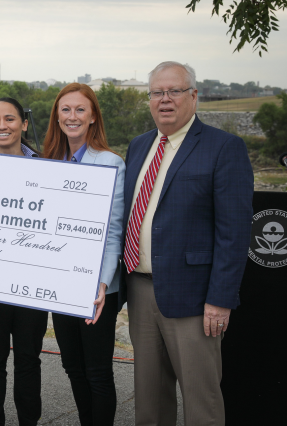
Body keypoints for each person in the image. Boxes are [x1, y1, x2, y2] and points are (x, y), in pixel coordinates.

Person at [122, 61, 253, 426]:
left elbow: (234, 232)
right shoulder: (138, 147)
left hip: (196, 299)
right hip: (141, 288)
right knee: (149, 401)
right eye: (157, 93)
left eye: (174, 91)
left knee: (201, 401)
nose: (165, 100)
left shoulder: (223, 148)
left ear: (193, 96)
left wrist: (220, 300)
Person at [42, 83, 126, 426]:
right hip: (61, 284)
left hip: (97, 289)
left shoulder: (111, 163)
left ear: (92, 117)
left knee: (97, 371)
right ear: (56, 117)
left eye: (80, 110)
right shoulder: (47, 163)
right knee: (72, 366)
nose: (72, 116)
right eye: (65, 109)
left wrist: (102, 284)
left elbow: (114, 231)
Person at [0, 97, 48, 426]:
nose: (1, 126)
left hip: (32, 285)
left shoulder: (47, 168)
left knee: (29, 361)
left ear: (24, 124)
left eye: (9, 119)